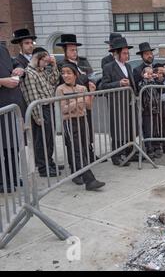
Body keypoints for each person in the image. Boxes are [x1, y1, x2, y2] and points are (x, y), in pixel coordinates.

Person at [55, 62, 105, 191]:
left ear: (75, 75)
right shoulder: (60, 89)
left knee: (83, 148)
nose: (65, 75)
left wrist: (91, 93)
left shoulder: (82, 88)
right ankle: (90, 180)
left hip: (82, 120)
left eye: (69, 73)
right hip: (69, 122)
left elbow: (88, 106)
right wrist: (78, 101)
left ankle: (79, 173)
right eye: (63, 73)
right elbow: (64, 109)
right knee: (76, 150)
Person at [56, 34, 99, 169]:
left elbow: (87, 78)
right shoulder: (62, 66)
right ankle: (75, 166)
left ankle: (86, 158)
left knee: (85, 133)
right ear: (65, 51)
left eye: (75, 50)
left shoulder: (81, 63)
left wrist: (90, 85)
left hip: (83, 101)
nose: (74, 52)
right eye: (71, 50)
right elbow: (66, 82)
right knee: (72, 141)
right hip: (70, 104)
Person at [20, 47, 62, 177]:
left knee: (49, 138)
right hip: (40, 108)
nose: (46, 64)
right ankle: (43, 167)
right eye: (44, 61)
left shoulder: (40, 71)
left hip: (48, 107)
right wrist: (37, 116)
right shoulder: (29, 74)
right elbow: (32, 96)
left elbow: (53, 81)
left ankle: (49, 161)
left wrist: (54, 65)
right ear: (37, 59)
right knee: (41, 139)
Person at [99, 37, 137, 167]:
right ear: (117, 53)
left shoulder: (128, 66)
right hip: (116, 102)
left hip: (128, 102)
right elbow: (103, 85)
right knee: (117, 129)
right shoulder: (109, 67)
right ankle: (116, 156)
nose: (127, 55)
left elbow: (132, 83)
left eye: (128, 52)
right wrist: (119, 83)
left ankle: (126, 152)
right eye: (124, 53)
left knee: (127, 128)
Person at [0, 44, 27, 193]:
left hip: (12, 104)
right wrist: (2, 81)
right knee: (1, 147)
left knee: (13, 144)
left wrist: (19, 68)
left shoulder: (2, 48)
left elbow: (14, 62)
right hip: (1, 106)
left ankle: (13, 176)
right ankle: (2, 181)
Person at [132, 42, 160, 158]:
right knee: (147, 126)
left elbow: (162, 83)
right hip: (145, 103)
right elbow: (136, 86)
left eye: (150, 53)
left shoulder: (157, 67)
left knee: (157, 125)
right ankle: (149, 148)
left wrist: (160, 77)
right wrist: (144, 77)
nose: (149, 55)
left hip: (157, 102)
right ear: (142, 56)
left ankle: (156, 145)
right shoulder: (138, 70)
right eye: (146, 54)